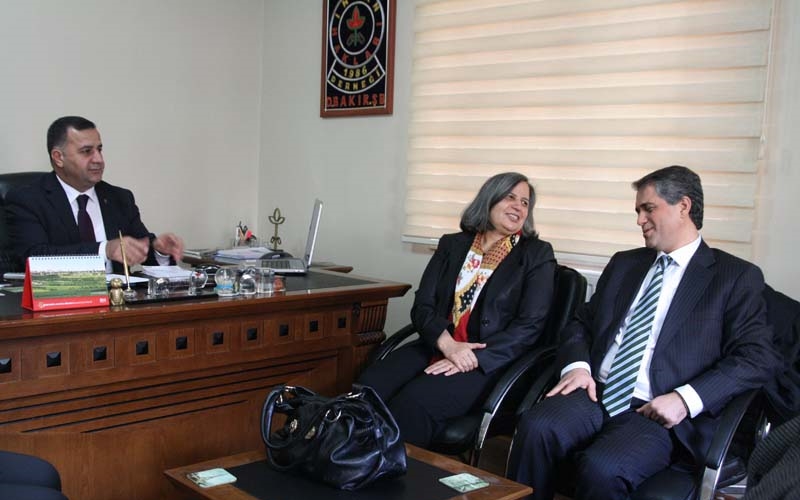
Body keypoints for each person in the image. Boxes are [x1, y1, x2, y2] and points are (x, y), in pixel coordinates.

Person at [506, 165, 780, 500]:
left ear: (683, 206)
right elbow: (580, 322)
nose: (639, 220)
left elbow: (757, 357)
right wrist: (577, 367)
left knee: (604, 467)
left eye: (648, 209)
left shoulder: (733, 277)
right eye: (637, 211)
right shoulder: (625, 263)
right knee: (536, 428)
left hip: (657, 409)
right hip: (595, 391)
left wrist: (685, 399)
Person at [359, 172, 556, 447]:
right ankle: (348, 460)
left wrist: (470, 356)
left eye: (525, 203)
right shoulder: (453, 245)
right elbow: (423, 304)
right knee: (368, 387)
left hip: (488, 360)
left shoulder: (536, 254)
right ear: (489, 199)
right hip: (439, 343)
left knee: (414, 404)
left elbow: (529, 326)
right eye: (510, 197)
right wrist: (448, 345)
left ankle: (390, 470)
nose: (518, 206)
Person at [5, 116, 183, 273]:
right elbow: (34, 257)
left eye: (99, 149)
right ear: (58, 157)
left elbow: (141, 251)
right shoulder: (28, 199)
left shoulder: (119, 198)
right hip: (61, 299)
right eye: (86, 151)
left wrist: (159, 250)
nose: (99, 159)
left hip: (118, 300)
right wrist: (104, 250)